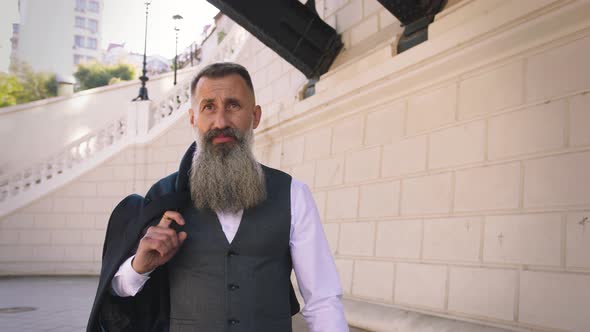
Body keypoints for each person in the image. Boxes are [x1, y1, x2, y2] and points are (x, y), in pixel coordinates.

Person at [87, 62, 348, 331]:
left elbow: (323, 299)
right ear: (193, 119)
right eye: (208, 107)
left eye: (233, 105)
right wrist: (138, 267)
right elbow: (117, 291)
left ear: (255, 116)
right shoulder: (164, 196)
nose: (221, 122)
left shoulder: (293, 194)